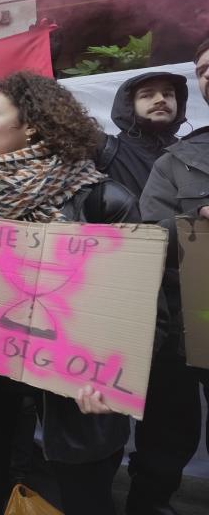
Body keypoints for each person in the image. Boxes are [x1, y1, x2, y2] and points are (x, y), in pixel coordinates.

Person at [0, 72, 140, 515]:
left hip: (76, 391)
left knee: (83, 499)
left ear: (32, 125)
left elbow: (135, 307)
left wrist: (113, 375)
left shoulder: (106, 202)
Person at [134, 40, 209, 515]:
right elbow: (147, 238)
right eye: (204, 68)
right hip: (188, 322)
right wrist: (197, 225)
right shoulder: (178, 161)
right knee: (165, 437)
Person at [95, 71, 189, 198]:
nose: (161, 99)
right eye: (147, 95)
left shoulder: (193, 152)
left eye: (167, 94)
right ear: (129, 105)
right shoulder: (105, 151)